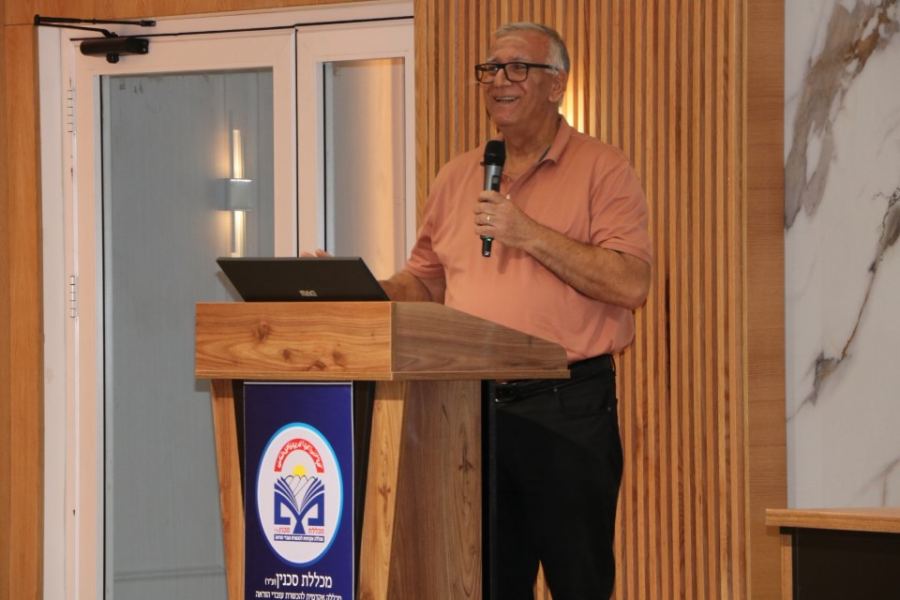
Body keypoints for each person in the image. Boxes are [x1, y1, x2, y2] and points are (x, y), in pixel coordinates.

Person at [381, 22, 651, 599]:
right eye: (491, 69)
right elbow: (426, 282)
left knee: (579, 583)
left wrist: (527, 233)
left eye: (517, 68)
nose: (499, 80)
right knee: (487, 582)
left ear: (557, 84)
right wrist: (361, 290)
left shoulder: (602, 168)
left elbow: (631, 282)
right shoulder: (457, 176)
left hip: (566, 406)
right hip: (468, 410)